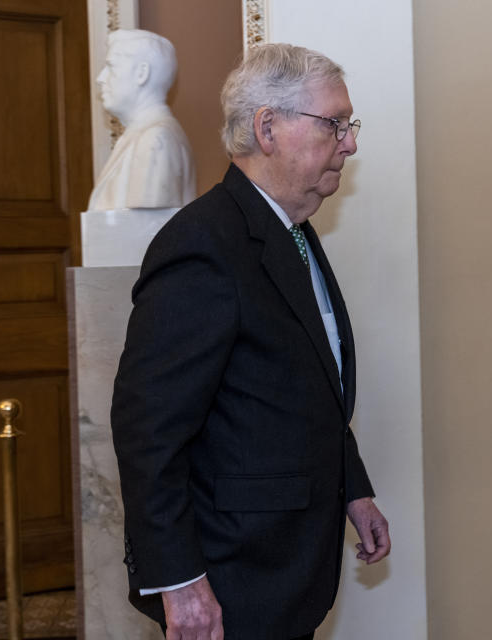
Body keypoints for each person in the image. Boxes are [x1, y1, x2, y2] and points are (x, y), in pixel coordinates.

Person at [110, 43, 390, 640]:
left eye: (350, 124)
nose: (351, 141)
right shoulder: (203, 245)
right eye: (334, 124)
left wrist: (353, 489)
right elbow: (148, 431)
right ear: (268, 127)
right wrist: (179, 578)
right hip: (231, 576)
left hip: (287, 567)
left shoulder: (291, 232)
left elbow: (306, 386)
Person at [89, 29, 196, 211]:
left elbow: (146, 229)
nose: (101, 78)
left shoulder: (156, 140)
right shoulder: (145, 135)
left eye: (111, 67)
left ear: (142, 73)